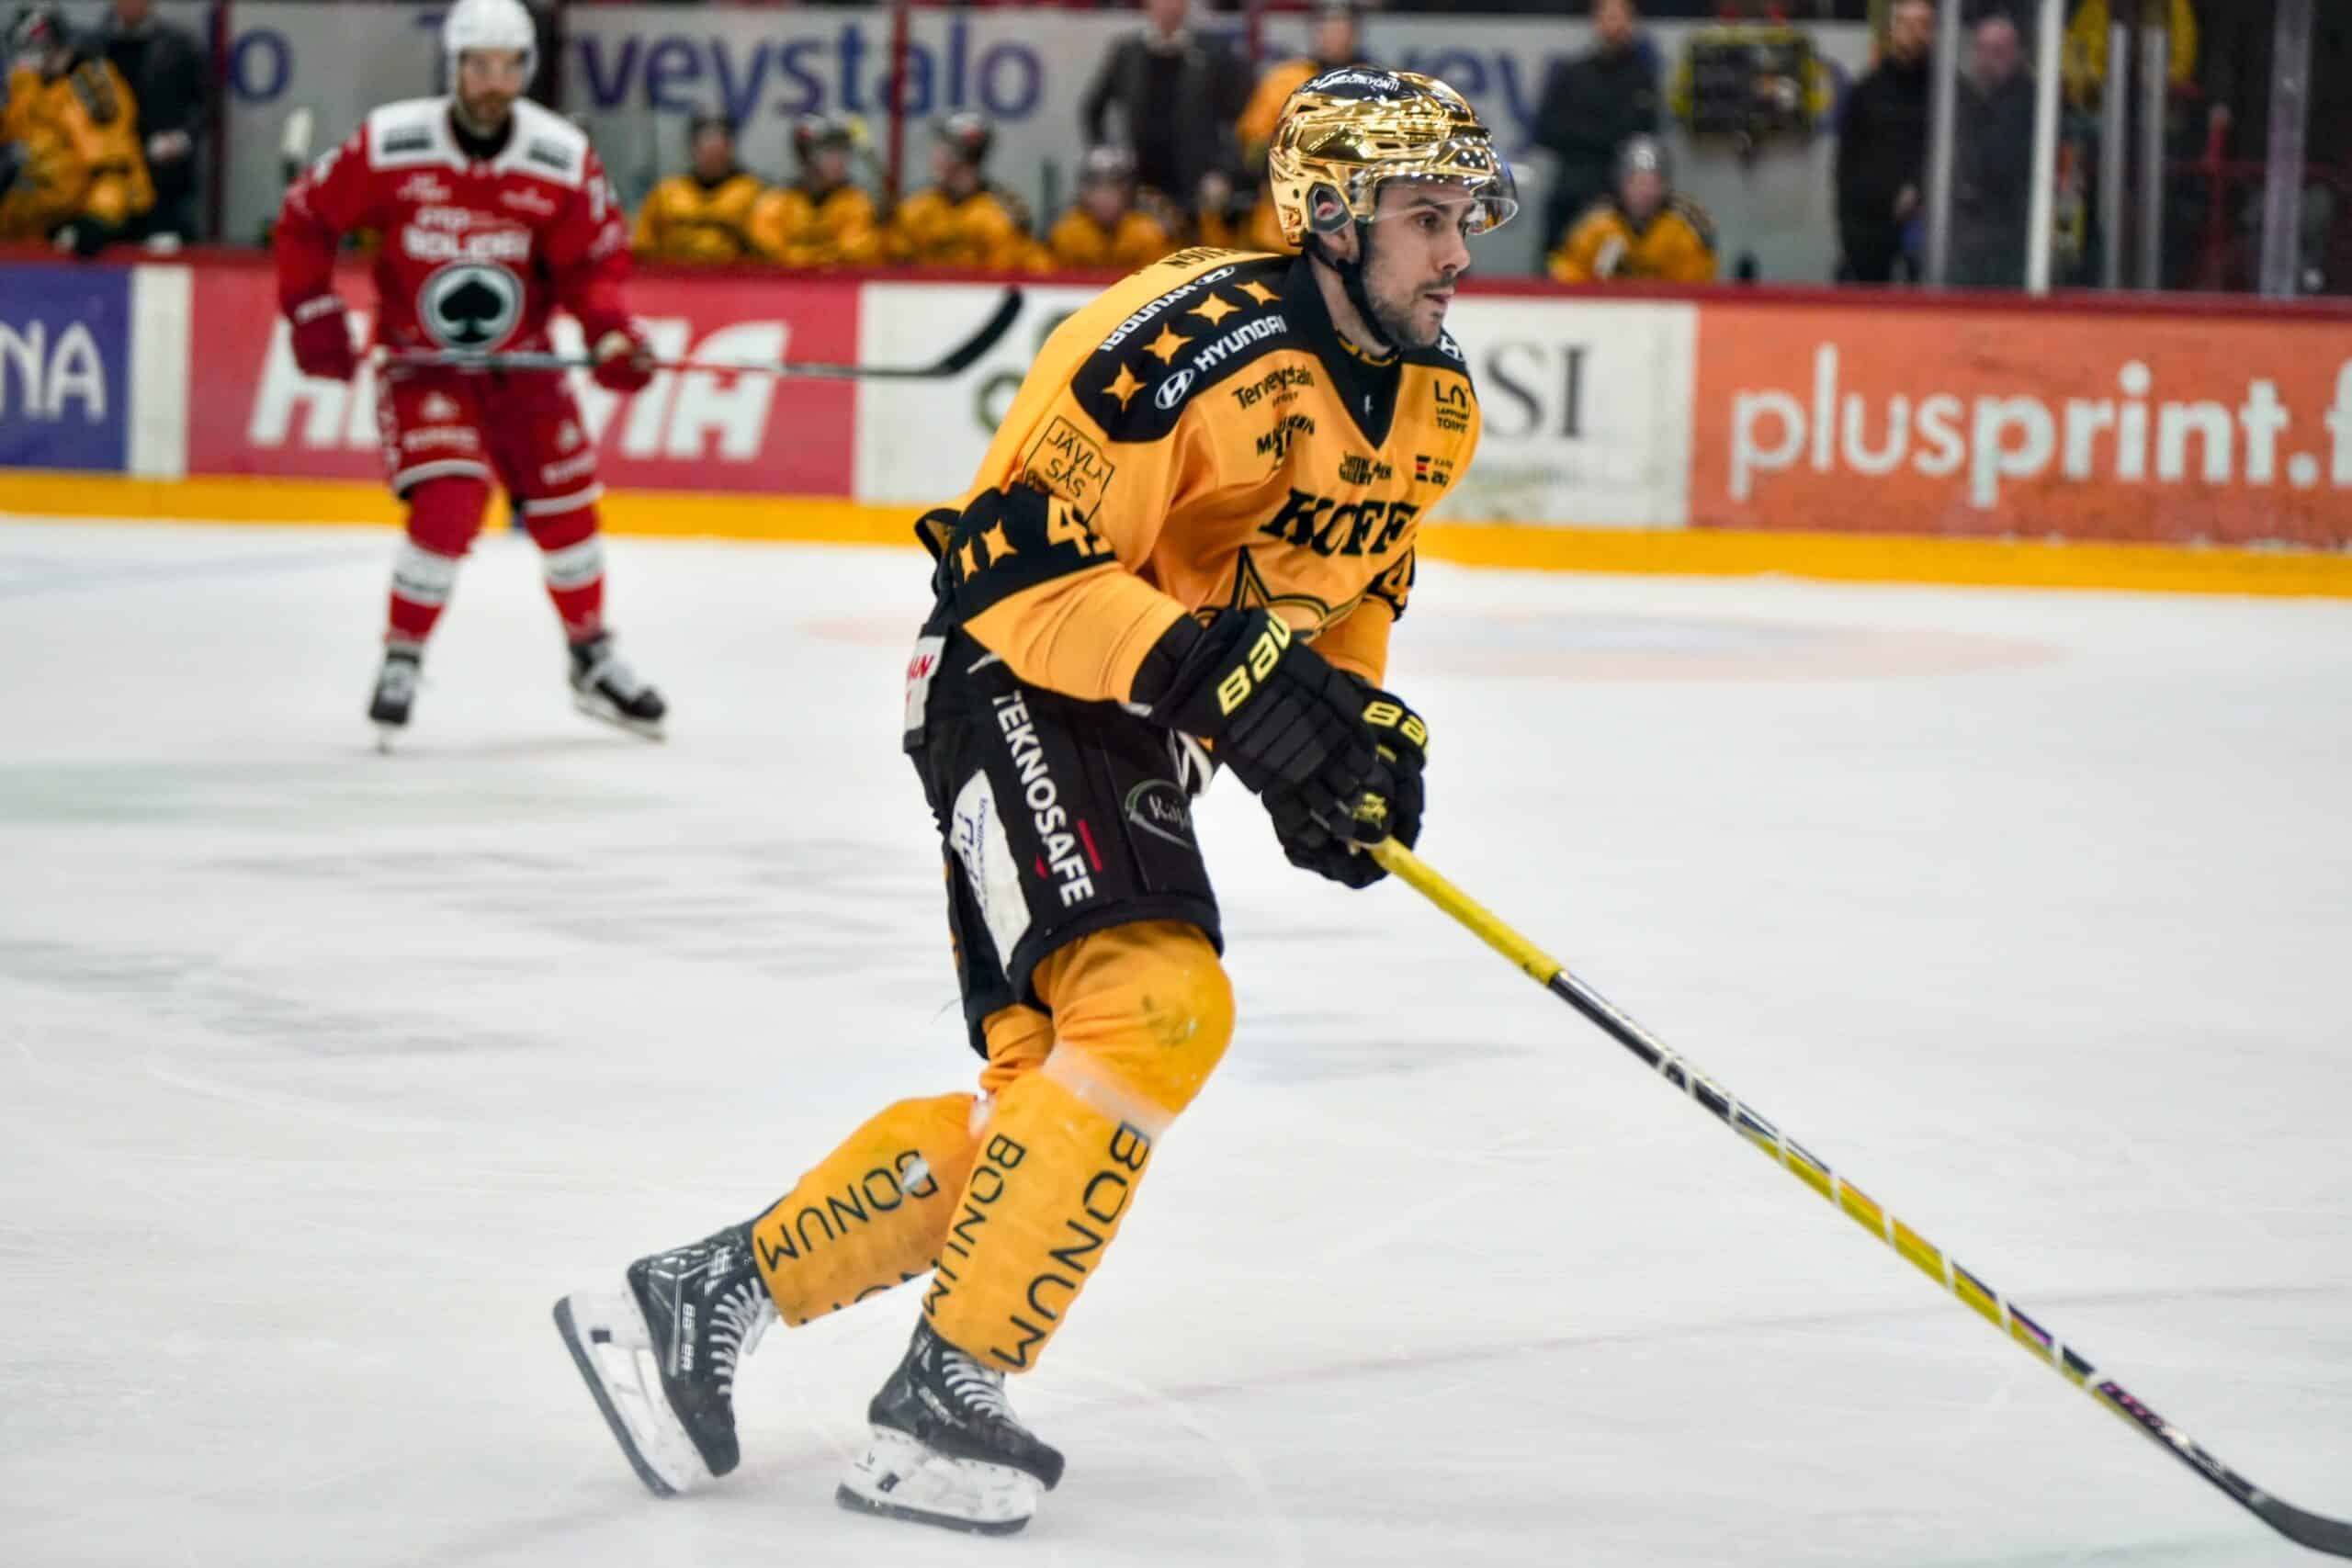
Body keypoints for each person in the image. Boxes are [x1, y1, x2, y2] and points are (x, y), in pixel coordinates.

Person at [554, 66, 1516, 1537]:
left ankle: (700, 1299)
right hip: (1017, 670)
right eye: (1426, 218)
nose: (1458, 253)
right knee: (1160, 1008)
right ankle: (946, 1391)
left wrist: (1343, 738)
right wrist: (1217, 678)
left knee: (1045, 1114)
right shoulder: (1179, 343)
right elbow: (1006, 563)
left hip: (1143, 720)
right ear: (1330, 217)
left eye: (1463, 219)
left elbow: (1352, 585)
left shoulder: (1437, 406)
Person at [273, 0, 666, 746]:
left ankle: (591, 654)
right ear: (453, 67)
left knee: (568, 510)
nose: (492, 83)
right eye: (478, 66)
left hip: (523, 365)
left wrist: (611, 331)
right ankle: (402, 655)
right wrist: (312, 309)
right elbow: (307, 216)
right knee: (449, 500)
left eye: (508, 67)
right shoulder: (393, 143)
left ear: (527, 70)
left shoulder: (558, 156)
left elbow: (592, 265)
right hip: (425, 367)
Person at [0, 6, 153, 253]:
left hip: (89, 222)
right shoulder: (27, 84)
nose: (26, 62)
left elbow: (114, 165)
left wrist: (100, 217)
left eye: (35, 51)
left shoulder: (91, 86)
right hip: (34, 223)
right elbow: (13, 130)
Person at [1080, 0, 1246, 220]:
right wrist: (1107, 159)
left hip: (1195, 183)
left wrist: (1223, 172)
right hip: (1139, 182)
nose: (1169, 6)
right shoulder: (1128, 53)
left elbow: (1241, 121)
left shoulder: (1212, 55)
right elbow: (1093, 108)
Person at [1531, 0, 1660, 263]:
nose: (1614, 24)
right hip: (1571, 186)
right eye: (1608, 16)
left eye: (1620, 17)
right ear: (1596, 20)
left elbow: (1639, 132)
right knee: (1556, 260)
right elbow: (1546, 129)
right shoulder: (1573, 74)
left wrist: (1583, 132)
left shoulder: (1642, 78)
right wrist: (1600, 134)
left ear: (1631, 22)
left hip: (1620, 194)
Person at [1835, 0, 1934, 284]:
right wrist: (1851, 236)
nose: (1915, 32)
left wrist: (1919, 187)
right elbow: (1846, 166)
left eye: (1923, 25)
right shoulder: (1866, 91)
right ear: (1892, 30)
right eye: (1906, 24)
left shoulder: (1947, 95)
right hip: (1871, 228)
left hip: (1933, 228)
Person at [95, 0, 202, 243]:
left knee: (166, 244)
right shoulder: (94, 46)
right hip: (108, 171)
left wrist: (182, 138)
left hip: (164, 175)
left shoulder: (179, 45)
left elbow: (202, 102)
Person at [1548, 134, 1716, 284]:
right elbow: (1565, 270)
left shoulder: (1683, 228)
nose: (1645, 192)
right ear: (1621, 184)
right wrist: (1596, 283)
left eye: (1652, 184)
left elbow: (1698, 282)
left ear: (1664, 186)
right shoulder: (1596, 224)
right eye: (1637, 183)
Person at [887, 112, 1038, 271]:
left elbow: (1010, 273)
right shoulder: (915, 208)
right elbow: (892, 264)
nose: (934, 155)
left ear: (962, 156)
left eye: (942, 148)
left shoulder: (1001, 214)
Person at [1951, 10, 2036, 289]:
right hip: (1966, 236)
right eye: (1982, 49)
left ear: (2016, 54)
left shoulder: (2031, 104)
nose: (1988, 59)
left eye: (1998, 51)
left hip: (2013, 233)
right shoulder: (1962, 101)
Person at [1235, 0, 1364, 167]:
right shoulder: (1284, 78)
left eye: (1342, 29)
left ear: (1354, 34)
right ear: (1316, 32)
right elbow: (1253, 139)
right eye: (1328, 27)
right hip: (1292, 173)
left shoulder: (1371, 81)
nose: (1335, 36)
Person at [632, 112, 768, 265]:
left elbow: (767, 251)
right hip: (677, 273)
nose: (713, 158)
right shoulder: (665, 194)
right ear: (693, 150)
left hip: (734, 274)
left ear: (730, 150)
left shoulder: (754, 194)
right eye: (707, 151)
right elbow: (643, 248)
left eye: (719, 152)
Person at [752, 114, 881, 269]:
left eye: (843, 151)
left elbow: (857, 251)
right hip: (786, 283)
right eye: (830, 151)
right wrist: (819, 257)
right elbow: (769, 251)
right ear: (807, 156)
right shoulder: (777, 203)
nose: (840, 160)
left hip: (837, 283)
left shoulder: (856, 202)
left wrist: (807, 257)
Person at [1045, 144, 1170, 271]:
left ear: (1128, 192)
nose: (1104, 198)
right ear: (1084, 193)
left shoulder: (1146, 234)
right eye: (1096, 187)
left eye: (1114, 187)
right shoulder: (1068, 234)